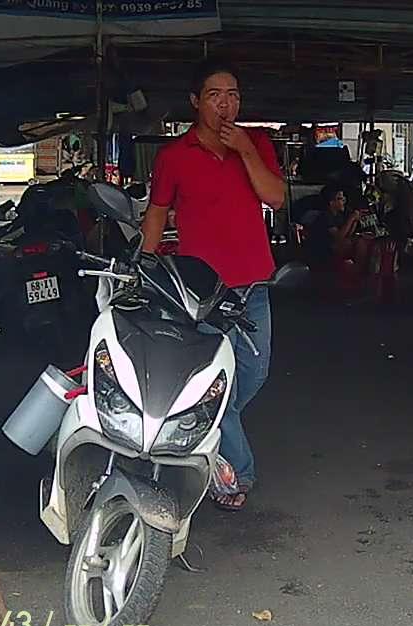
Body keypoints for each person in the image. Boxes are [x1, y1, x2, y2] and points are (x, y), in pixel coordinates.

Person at [142, 58, 286, 512]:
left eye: (233, 95)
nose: (226, 104)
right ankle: (236, 473)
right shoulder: (174, 156)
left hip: (252, 286)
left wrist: (245, 149)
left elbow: (275, 197)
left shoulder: (257, 143)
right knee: (212, 382)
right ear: (195, 101)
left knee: (251, 376)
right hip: (201, 293)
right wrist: (144, 267)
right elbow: (156, 214)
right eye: (215, 95)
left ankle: (206, 437)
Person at [306, 183, 363, 269]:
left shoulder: (338, 215)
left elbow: (347, 235)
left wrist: (355, 220)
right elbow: (339, 237)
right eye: (339, 198)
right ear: (331, 202)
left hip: (333, 248)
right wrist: (351, 219)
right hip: (322, 253)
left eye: (343, 198)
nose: (343, 201)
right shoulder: (325, 216)